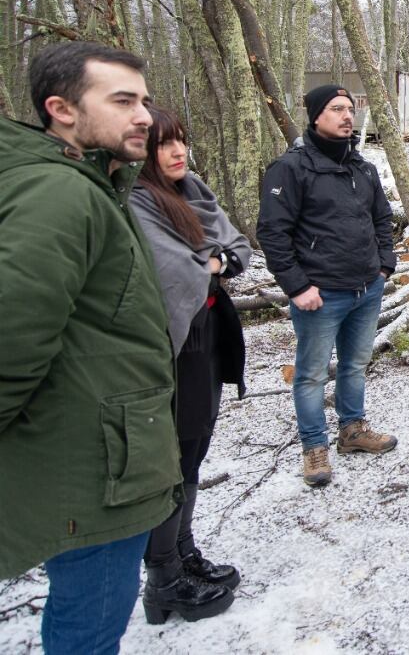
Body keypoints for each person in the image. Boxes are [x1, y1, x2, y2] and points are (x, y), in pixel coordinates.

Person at [0, 42, 180, 654]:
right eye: (123, 101)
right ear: (62, 109)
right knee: (90, 628)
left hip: (101, 451)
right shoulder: (61, 194)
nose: (145, 118)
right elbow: (13, 332)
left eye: (145, 102)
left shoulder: (92, 185)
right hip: (92, 469)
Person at [131, 106, 249, 624]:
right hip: (175, 344)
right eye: (164, 144)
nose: (178, 152)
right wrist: (214, 261)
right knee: (175, 454)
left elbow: (238, 245)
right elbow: (177, 271)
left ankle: (184, 552)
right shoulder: (139, 201)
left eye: (181, 141)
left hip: (211, 333)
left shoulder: (192, 191)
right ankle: (163, 577)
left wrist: (218, 260)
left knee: (195, 446)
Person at [257, 84, 399, 488]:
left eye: (350, 108)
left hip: (365, 288)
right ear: (316, 115)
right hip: (320, 294)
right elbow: (272, 232)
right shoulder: (290, 168)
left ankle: (352, 430)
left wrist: (384, 267)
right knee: (311, 375)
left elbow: (381, 220)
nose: (347, 115)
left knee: (355, 366)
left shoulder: (363, 167)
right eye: (337, 108)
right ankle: (314, 447)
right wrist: (297, 286)